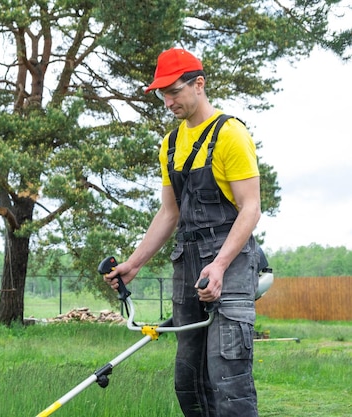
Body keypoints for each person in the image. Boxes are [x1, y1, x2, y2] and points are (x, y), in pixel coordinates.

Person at [104, 47, 262, 416]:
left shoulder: (230, 134)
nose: (167, 101)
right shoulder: (171, 143)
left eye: (173, 91)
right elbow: (169, 212)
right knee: (188, 380)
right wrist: (134, 263)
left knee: (228, 378)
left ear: (199, 84)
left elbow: (250, 209)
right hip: (187, 264)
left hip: (231, 264)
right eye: (162, 94)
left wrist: (221, 265)